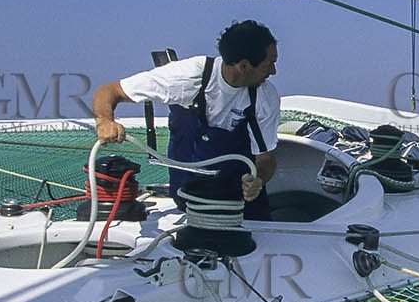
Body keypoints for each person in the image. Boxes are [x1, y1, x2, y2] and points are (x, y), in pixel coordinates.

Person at [91, 21, 279, 219]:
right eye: (269, 64)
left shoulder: (265, 96)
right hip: (189, 200)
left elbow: (266, 157)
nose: (273, 71)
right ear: (244, 65)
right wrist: (104, 121)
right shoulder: (188, 76)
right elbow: (111, 90)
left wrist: (258, 180)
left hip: (242, 206)